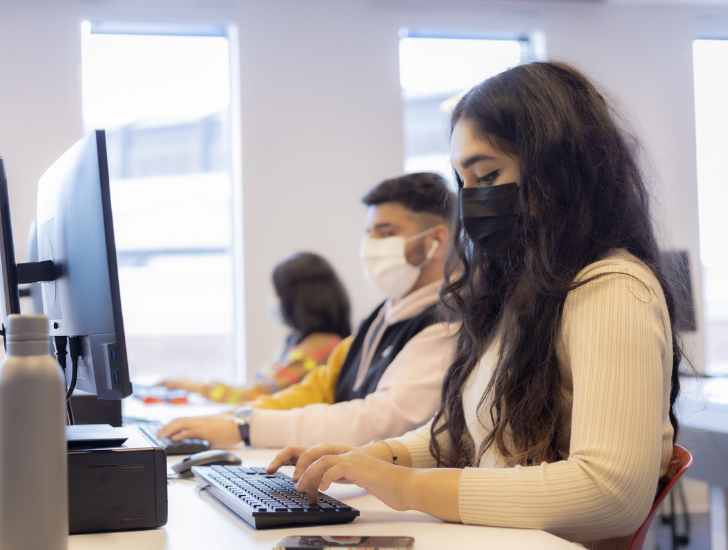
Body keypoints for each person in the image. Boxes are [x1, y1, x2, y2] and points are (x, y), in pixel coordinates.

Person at [268, 61, 683, 550]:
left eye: (486, 176)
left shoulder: (612, 289)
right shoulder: (524, 293)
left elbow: (612, 494)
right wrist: (370, 457)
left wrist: (409, 488)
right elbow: (467, 435)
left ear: (558, 170)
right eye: (463, 182)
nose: (472, 201)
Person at [158, 172, 459, 448]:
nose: (370, 245)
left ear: (436, 240)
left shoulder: (446, 324)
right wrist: (235, 417)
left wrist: (245, 427)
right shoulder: (384, 316)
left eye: (385, 233)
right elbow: (319, 389)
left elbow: (378, 420)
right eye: (369, 233)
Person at [159, 252, 351, 403]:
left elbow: (257, 394)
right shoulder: (302, 341)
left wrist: (199, 388)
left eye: (278, 293)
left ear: (298, 300)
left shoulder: (320, 348)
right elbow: (259, 385)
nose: (274, 299)